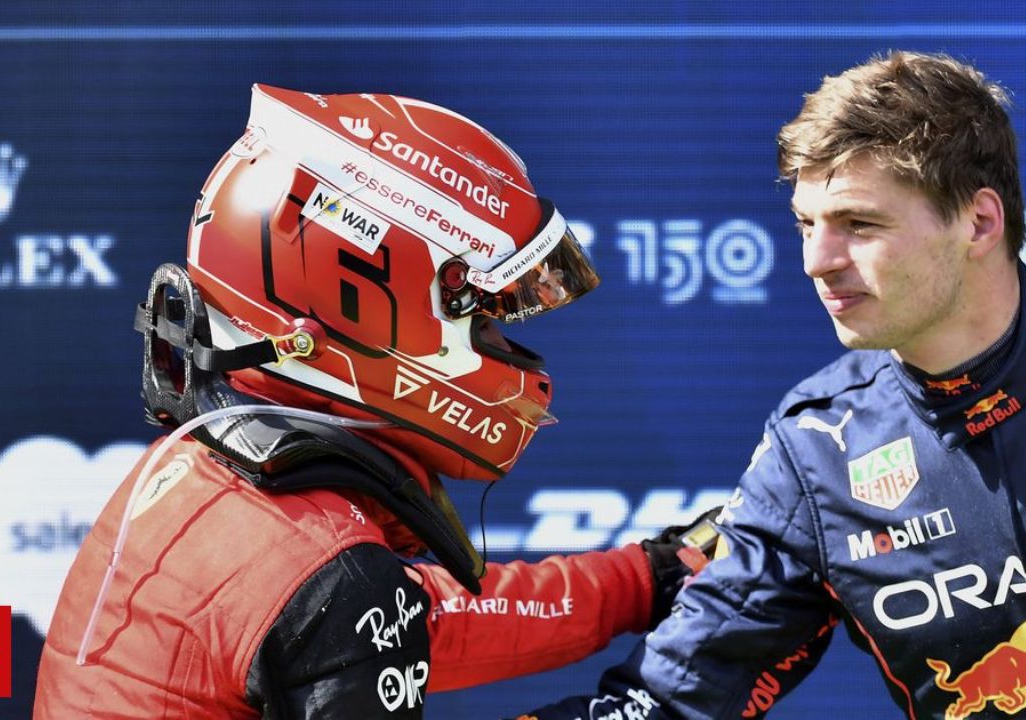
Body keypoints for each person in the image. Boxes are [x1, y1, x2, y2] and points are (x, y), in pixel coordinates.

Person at [512, 50, 1026, 720]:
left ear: (979, 222)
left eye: (858, 224)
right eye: (806, 225)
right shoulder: (817, 449)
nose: (817, 261)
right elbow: (676, 700)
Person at [34, 85, 711, 719]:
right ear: (363, 306)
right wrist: (650, 705)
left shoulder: (206, 474)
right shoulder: (328, 574)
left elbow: (404, 622)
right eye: (482, 316)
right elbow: (350, 615)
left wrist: (644, 579)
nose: (503, 345)